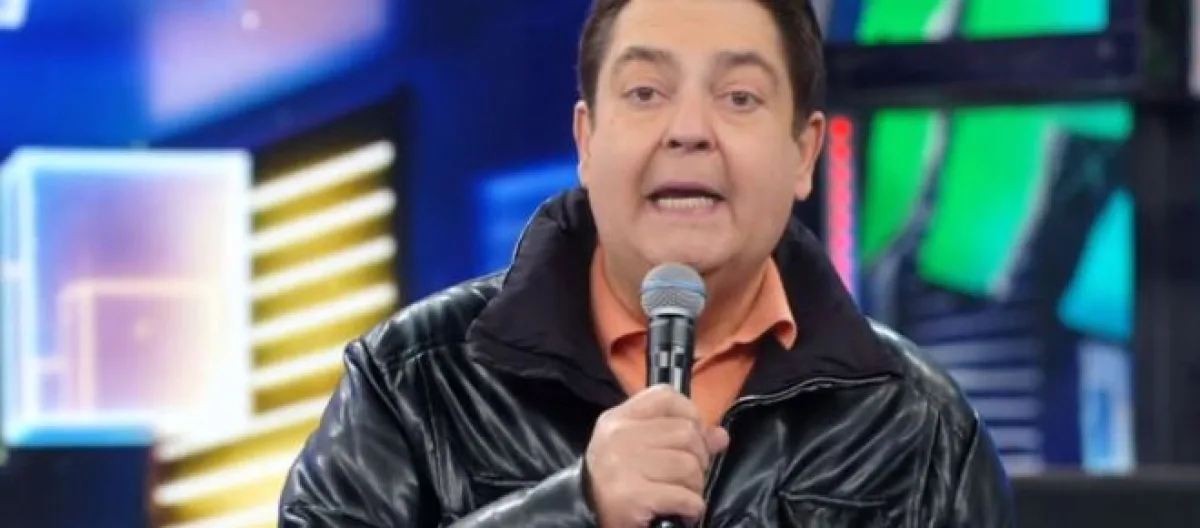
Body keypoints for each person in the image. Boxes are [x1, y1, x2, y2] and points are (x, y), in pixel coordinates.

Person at [278, 0, 1015, 526]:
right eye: (645, 92)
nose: (689, 130)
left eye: (739, 97)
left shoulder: (920, 428)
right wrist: (575, 508)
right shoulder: (411, 381)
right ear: (586, 141)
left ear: (804, 152)